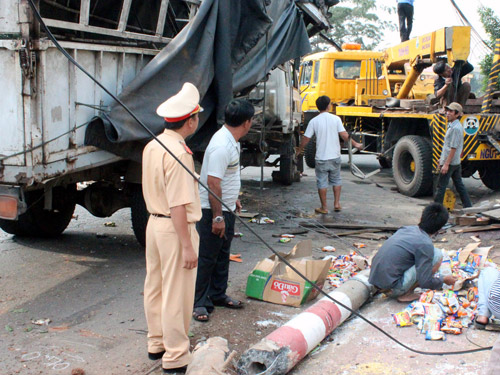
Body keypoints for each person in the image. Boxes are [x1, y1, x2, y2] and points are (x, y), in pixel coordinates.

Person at [142, 82, 202, 374]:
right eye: (197, 116)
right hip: (175, 228)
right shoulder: (180, 152)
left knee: (156, 286)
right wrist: (187, 245)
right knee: (177, 294)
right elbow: (178, 204)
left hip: (154, 224)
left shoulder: (153, 145)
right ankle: (176, 355)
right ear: (190, 120)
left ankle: (157, 343)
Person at [193, 99, 254, 322]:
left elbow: (227, 178)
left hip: (225, 207)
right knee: (207, 257)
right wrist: (217, 216)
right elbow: (213, 183)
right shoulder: (222, 145)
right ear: (247, 122)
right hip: (212, 209)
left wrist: (233, 198)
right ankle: (199, 302)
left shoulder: (232, 141)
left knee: (222, 254)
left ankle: (217, 294)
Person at [369, 203, 457, 302]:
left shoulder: (407, 229)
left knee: (428, 255)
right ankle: (406, 293)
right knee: (437, 255)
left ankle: (402, 287)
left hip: (375, 280)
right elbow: (425, 282)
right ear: (440, 228)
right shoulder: (425, 243)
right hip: (393, 289)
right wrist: (443, 280)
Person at [296, 95, 362, 214]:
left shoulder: (314, 121)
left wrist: (299, 149)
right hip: (335, 156)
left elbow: (306, 138)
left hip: (321, 158)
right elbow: (344, 135)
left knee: (322, 182)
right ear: (328, 106)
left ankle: (324, 208)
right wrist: (356, 144)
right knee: (336, 180)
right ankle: (336, 204)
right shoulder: (336, 119)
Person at [433, 102, 472, 208]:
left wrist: (446, 164)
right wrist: (441, 159)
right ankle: (468, 206)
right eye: (447, 111)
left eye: (451, 111)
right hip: (455, 162)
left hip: (450, 163)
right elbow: (449, 147)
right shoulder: (454, 126)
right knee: (459, 185)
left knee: (441, 187)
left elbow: (453, 148)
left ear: (457, 114)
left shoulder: (455, 128)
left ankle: (436, 210)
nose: (447, 113)